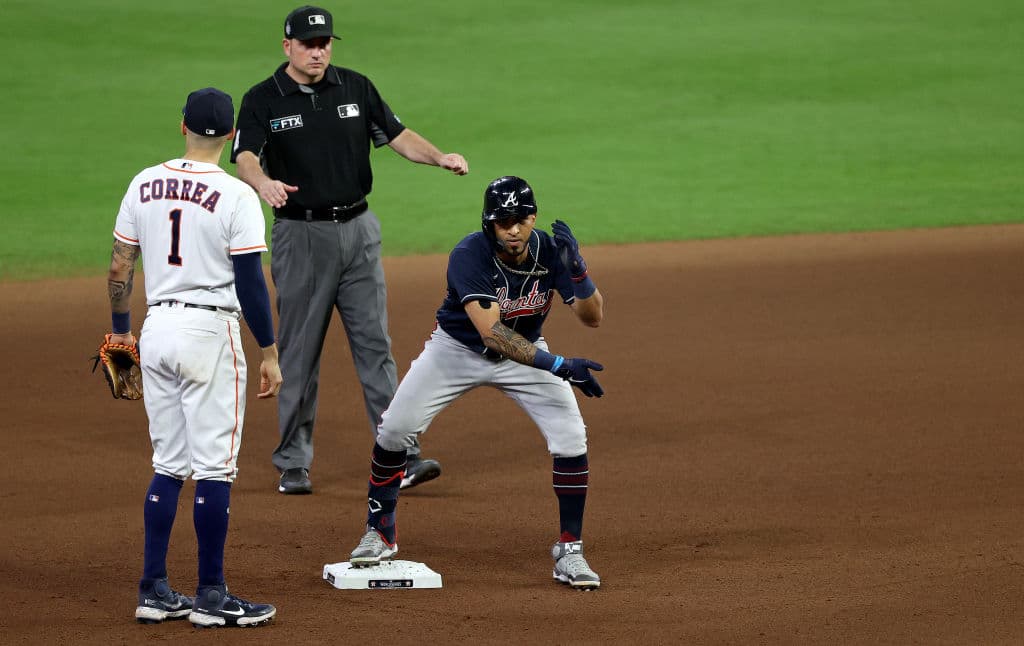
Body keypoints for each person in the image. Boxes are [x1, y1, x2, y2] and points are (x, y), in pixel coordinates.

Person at [232, 5, 468, 495]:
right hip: (302, 237)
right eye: (308, 44)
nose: (318, 52)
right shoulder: (262, 99)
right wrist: (262, 182)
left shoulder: (356, 87)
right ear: (288, 46)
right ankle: (293, 463)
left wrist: (439, 157)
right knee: (299, 353)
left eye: (324, 43)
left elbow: (398, 136)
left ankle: (401, 455)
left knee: (376, 348)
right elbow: (245, 156)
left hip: (359, 232)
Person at [347, 176, 606, 590]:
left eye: (521, 219)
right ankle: (380, 532)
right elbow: (492, 334)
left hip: (526, 351)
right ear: (489, 223)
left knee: (571, 436)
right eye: (504, 222)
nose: (513, 229)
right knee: (394, 429)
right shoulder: (470, 254)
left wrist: (579, 273)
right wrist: (557, 364)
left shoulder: (550, 251)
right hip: (456, 351)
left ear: (533, 217)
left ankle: (569, 549)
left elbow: (593, 318)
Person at [109, 87, 282, 627]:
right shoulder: (237, 195)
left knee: (168, 464)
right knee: (214, 467)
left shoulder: (143, 182)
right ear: (230, 135)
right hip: (209, 333)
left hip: (156, 329)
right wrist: (269, 351)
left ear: (182, 125)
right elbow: (250, 284)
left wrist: (122, 336)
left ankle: (153, 589)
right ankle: (211, 595)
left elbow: (120, 268)